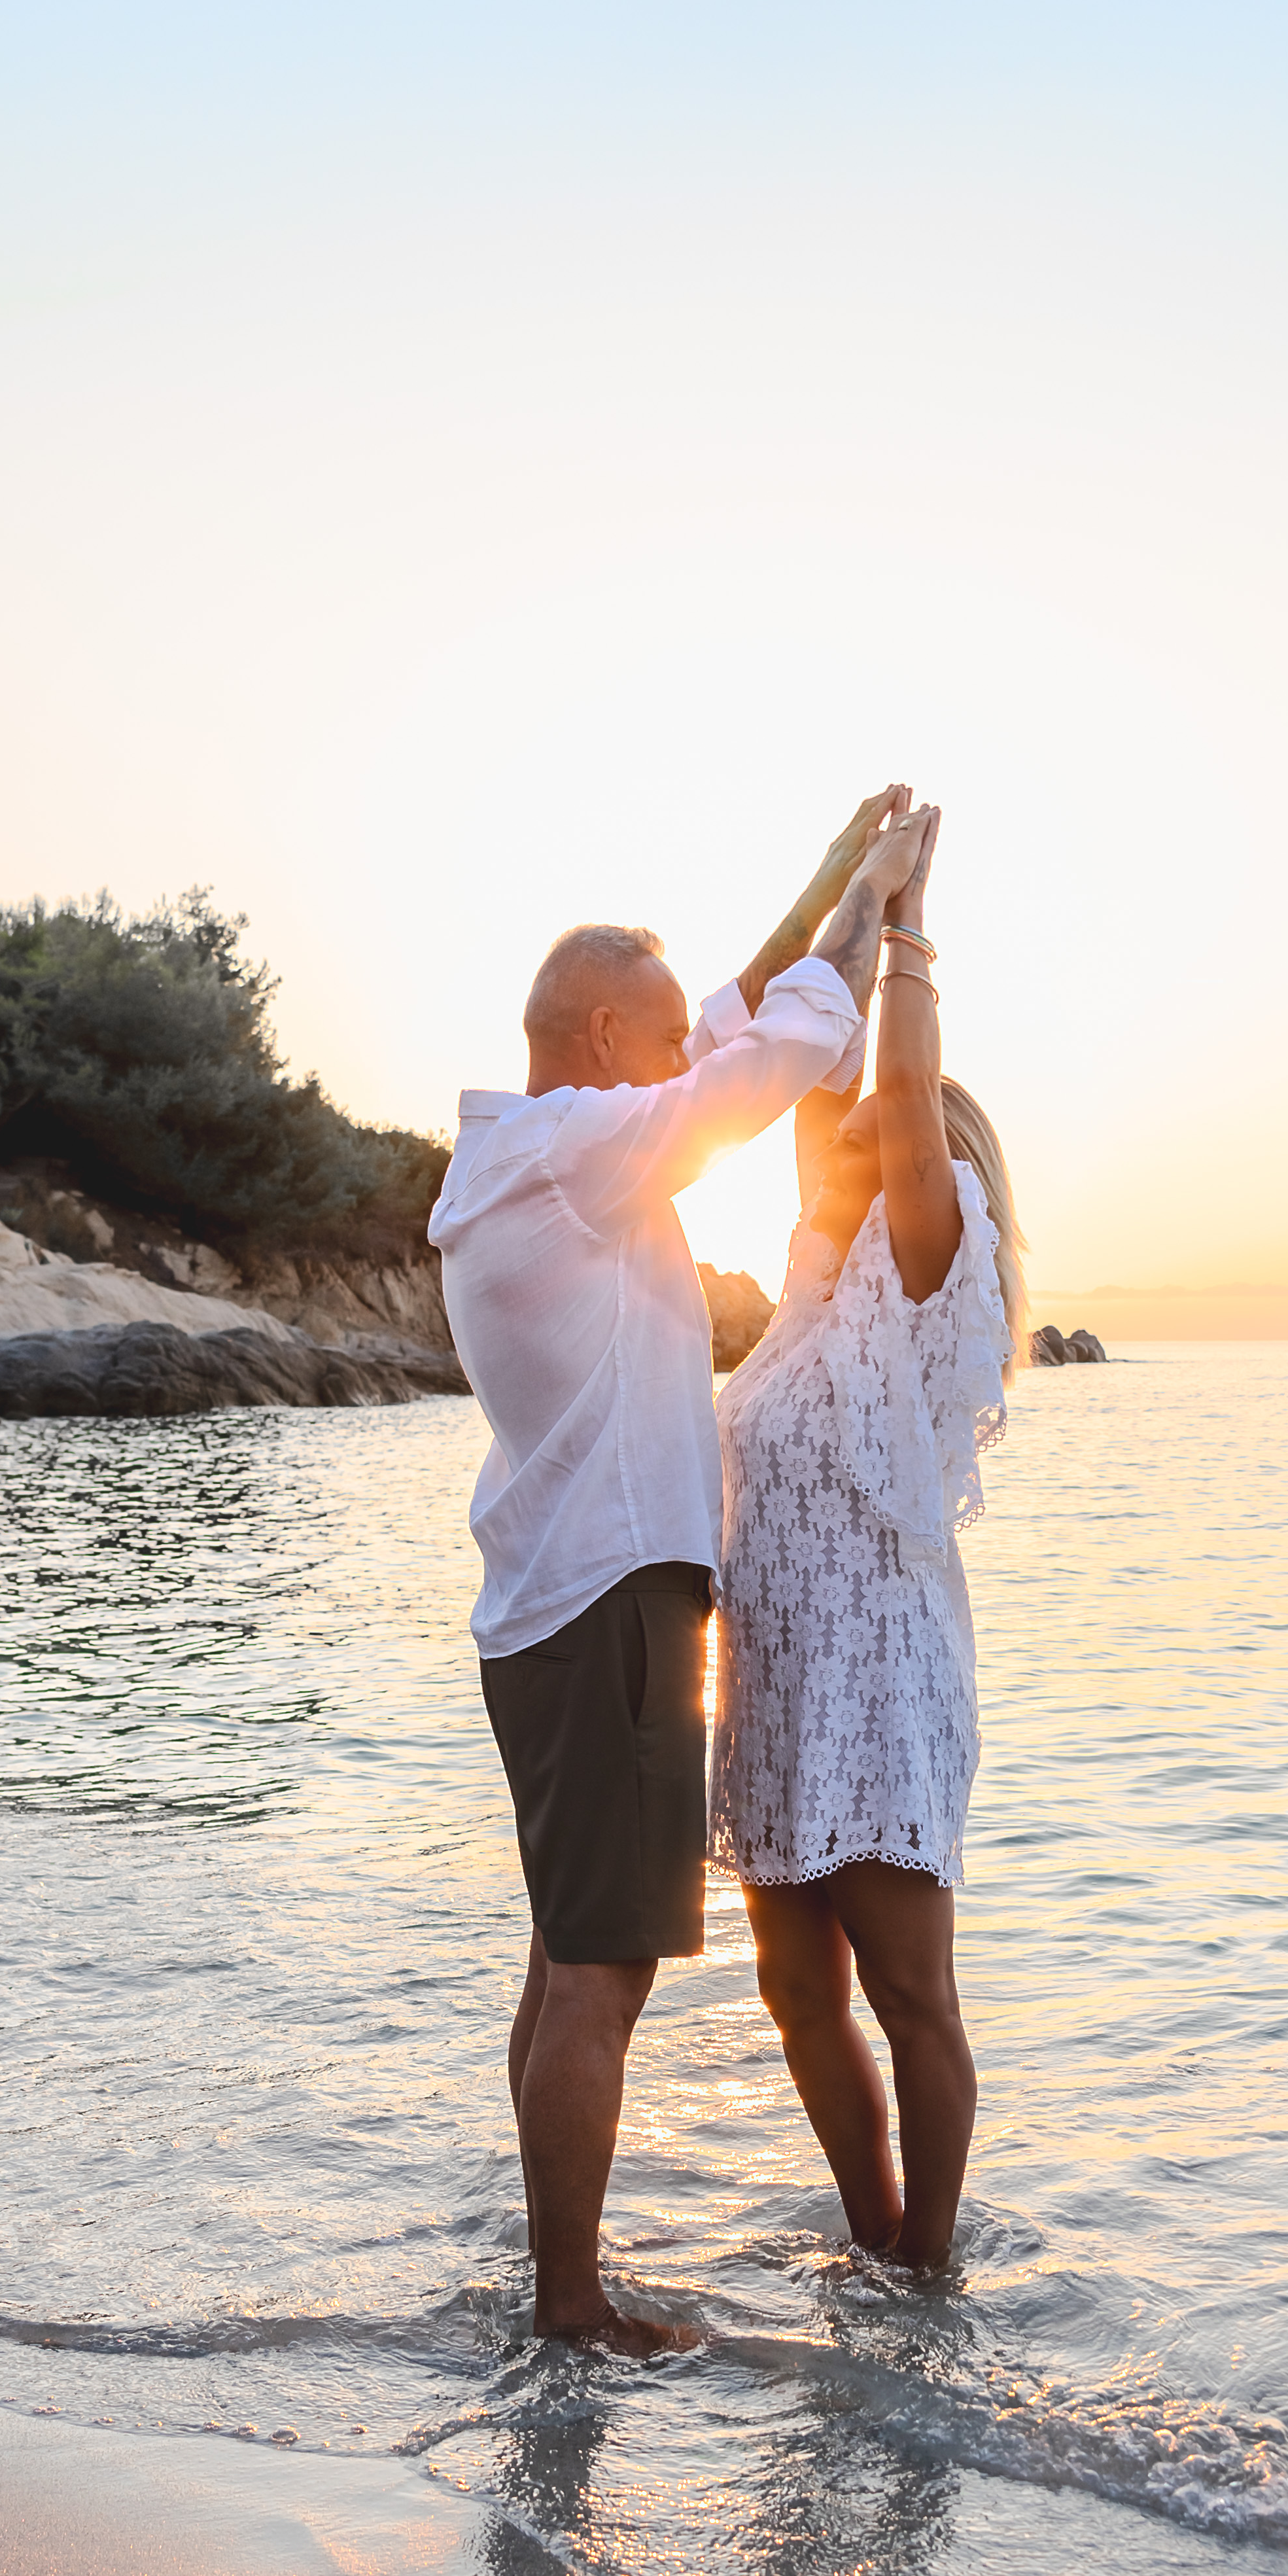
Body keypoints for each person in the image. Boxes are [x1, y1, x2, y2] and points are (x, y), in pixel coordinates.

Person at [432, 789, 940, 2349]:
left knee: (559, 1960)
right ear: (595, 1036)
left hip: (554, 1606)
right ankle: (571, 2308)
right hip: (611, 1609)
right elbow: (766, 1060)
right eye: (652, 1044)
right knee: (599, 1975)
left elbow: (724, 1019)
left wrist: (832, 892)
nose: (679, 1067)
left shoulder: (526, 1149)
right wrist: (892, 917)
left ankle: (552, 2283)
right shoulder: (578, 1150)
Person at [709, 804, 1024, 2270]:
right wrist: (845, 880)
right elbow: (802, 1051)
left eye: (876, 1128)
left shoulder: (921, 1273)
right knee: (791, 1987)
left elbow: (895, 1083)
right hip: (777, 1685)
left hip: (882, 1688)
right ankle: (873, 2238)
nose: (842, 1130)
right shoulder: (805, 1293)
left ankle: (932, 2267)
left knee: (909, 1996)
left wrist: (910, 919)